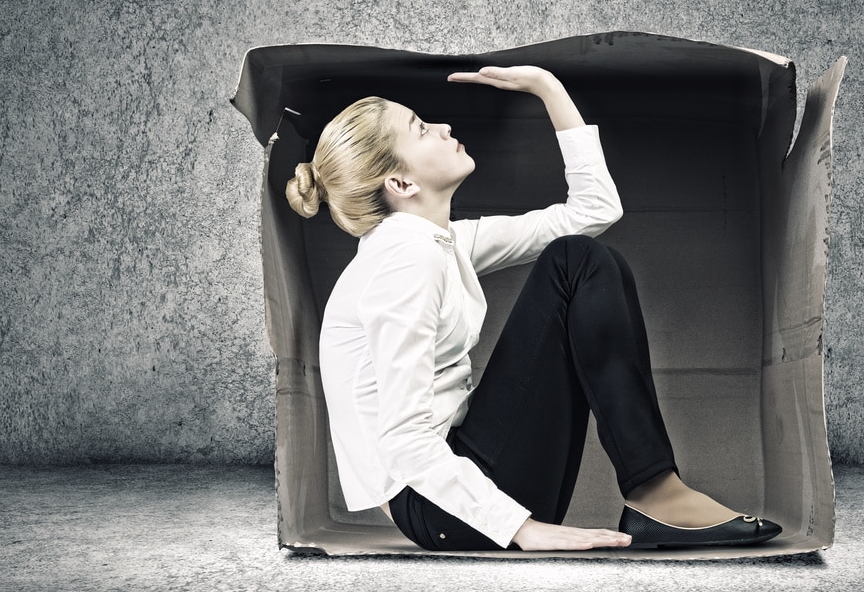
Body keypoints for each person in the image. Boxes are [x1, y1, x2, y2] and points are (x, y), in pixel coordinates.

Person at [285, 63, 782, 552]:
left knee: (579, 255)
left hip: (466, 489)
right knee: (573, 261)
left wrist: (548, 88)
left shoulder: (438, 243)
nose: (443, 126)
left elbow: (592, 213)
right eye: (421, 128)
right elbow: (403, 439)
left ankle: (657, 493)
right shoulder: (403, 261)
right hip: (442, 508)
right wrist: (521, 527)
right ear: (401, 184)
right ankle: (655, 490)